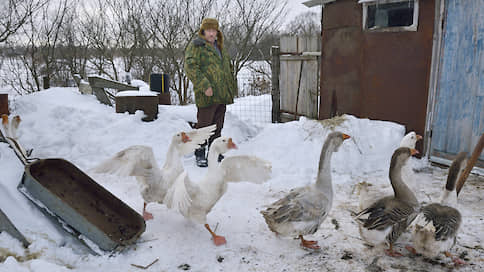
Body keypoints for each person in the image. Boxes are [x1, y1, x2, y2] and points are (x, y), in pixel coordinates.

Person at [184, 18, 237, 167]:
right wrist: (204, 85)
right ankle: (199, 153)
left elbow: (227, 69)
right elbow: (191, 67)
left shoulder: (220, 47)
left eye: (214, 30)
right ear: (203, 31)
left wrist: (230, 87)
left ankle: (214, 152)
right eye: (209, 30)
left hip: (222, 94)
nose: (212, 33)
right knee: (204, 126)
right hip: (206, 94)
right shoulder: (197, 47)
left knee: (218, 126)